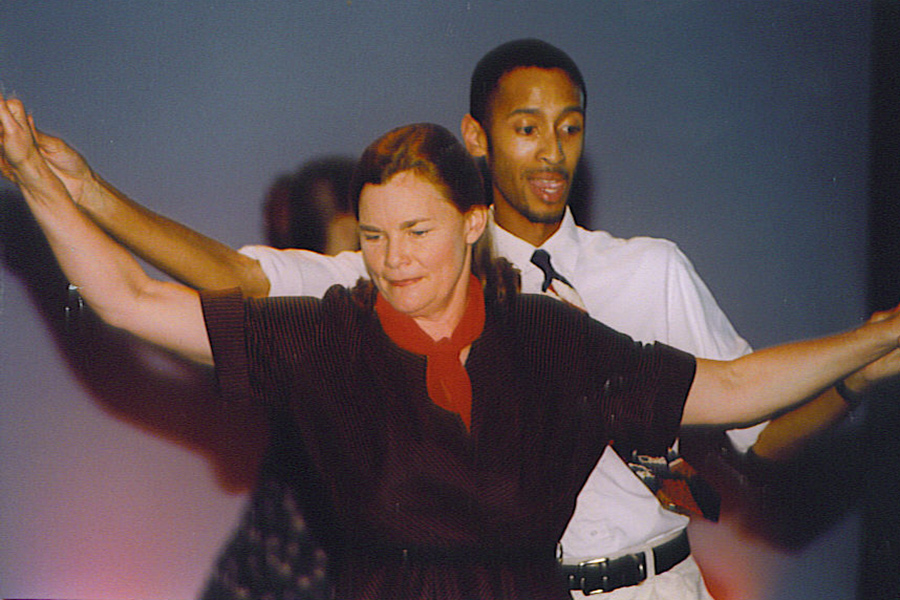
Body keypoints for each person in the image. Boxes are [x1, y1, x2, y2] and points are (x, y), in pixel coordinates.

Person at [20, 39, 875, 598]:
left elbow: (733, 394)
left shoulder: (557, 331)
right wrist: (53, 186)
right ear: (480, 138)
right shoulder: (337, 324)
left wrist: (877, 339)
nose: (394, 258)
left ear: (464, 229)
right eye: (376, 237)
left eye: (567, 127)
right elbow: (155, 294)